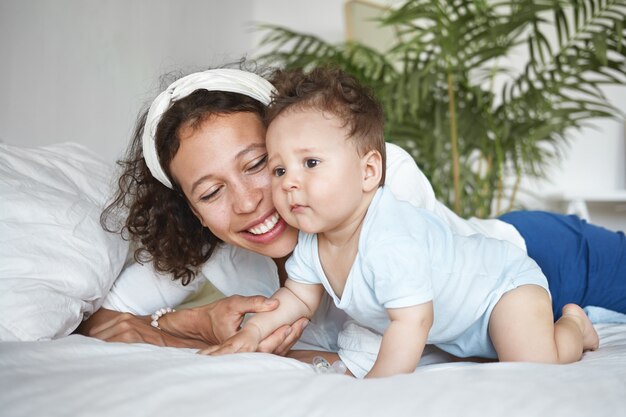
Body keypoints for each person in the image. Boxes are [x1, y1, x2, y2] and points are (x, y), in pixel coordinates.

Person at [77, 63, 625, 376]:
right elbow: (99, 324)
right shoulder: (218, 249)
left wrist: (203, 337)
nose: (248, 202)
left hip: (539, 256)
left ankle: (574, 324)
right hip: (480, 322)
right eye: (212, 191)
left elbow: (378, 344)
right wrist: (195, 322)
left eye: (260, 164)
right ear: (191, 211)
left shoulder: (382, 186)